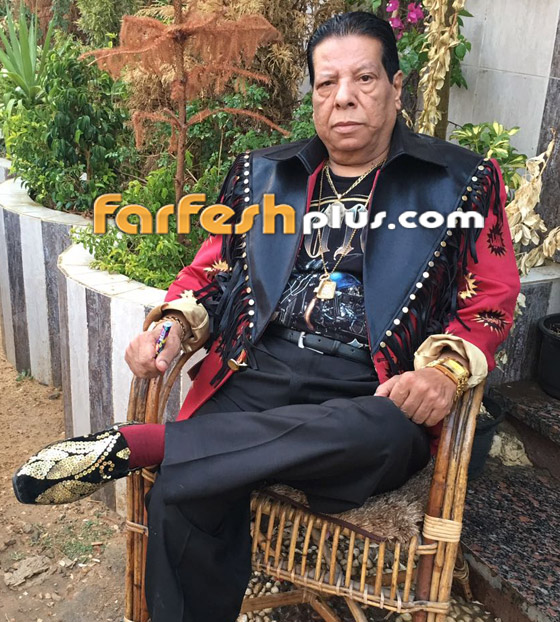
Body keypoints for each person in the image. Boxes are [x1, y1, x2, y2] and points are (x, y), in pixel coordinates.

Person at [12, 11, 520, 622]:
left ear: (395, 86)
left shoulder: (460, 181)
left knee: (386, 432)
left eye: (363, 79)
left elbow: (489, 299)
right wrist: (171, 328)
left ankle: (151, 445)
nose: (344, 98)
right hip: (260, 369)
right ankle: (185, 464)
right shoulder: (262, 175)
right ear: (313, 96)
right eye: (327, 83)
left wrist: (442, 372)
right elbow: (211, 274)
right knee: (181, 494)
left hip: (370, 387)